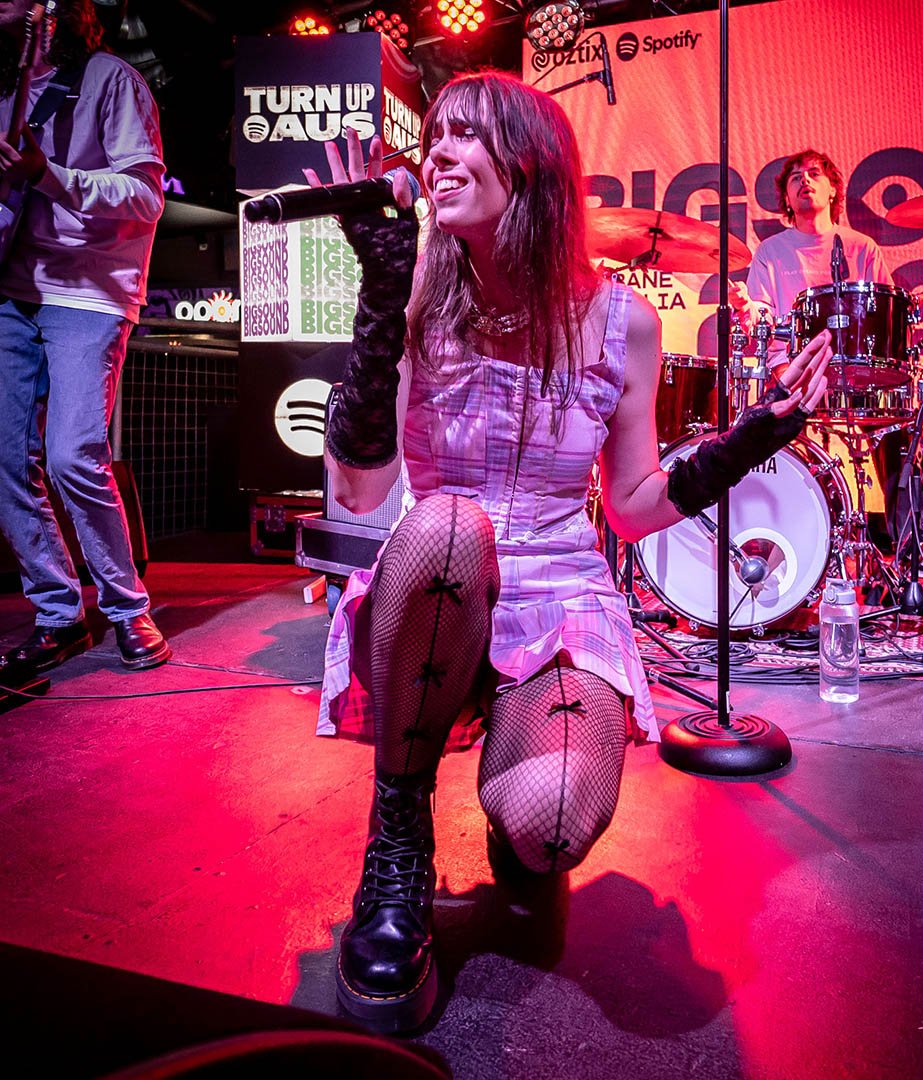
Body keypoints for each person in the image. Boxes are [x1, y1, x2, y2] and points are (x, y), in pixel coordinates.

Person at [310, 72, 832, 1034]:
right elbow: (359, 495)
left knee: (553, 825)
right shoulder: (418, 293)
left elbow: (629, 511)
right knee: (453, 524)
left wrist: (752, 438)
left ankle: (517, 801)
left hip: (560, 598)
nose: (435, 152)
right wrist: (382, 310)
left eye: (465, 134)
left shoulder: (622, 321)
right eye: (435, 135)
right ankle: (397, 838)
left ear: (531, 166)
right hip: (436, 576)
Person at [0, 0, 169, 676]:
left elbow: (144, 198)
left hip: (89, 290)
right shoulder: (5, 91)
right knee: (5, 459)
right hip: (13, 288)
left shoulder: (110, 80)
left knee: (73, 453)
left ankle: (128, 608)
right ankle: (57, 612)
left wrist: (47, 174)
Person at [731, 148, 923, 555]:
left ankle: (916, 552)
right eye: (795, 178)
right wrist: (749, 313)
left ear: (833, 188)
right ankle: (783, 545)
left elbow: (889, 318)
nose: (805, 181)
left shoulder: (861, 247)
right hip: (796, 373)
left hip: (861, 374)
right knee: (767, 432)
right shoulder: (771, 251)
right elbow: (763, 321)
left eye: (815, 174)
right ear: (786, 198)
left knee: (901, 429)